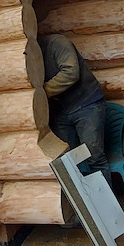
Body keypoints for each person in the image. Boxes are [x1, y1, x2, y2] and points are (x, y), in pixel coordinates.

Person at [40, 33, 108, 178]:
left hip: (87, 103)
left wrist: (42, 92)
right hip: (61, 110)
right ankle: (79, 193)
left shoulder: (57, 43)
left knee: (94, 157)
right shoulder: (25, 58)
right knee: (67, 160)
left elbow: (70, 72)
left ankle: (102, 193)